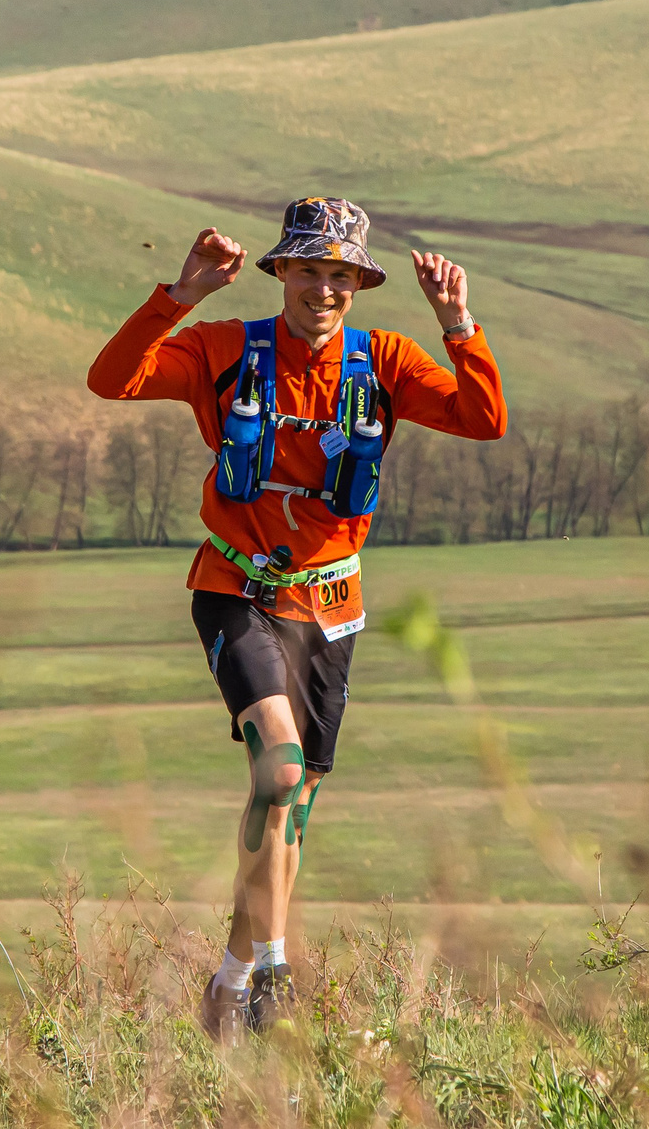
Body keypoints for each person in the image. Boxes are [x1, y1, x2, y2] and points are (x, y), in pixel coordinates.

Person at [87, 197, 507, 1041]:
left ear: (359, 282)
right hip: (236, 587)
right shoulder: (224, 350)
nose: (324, 288)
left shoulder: (381, 359)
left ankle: (230, 980)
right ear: (281, 271)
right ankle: (276, 971)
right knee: (277, 773)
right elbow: (113, 378)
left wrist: (458, 324)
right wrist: (180, 294)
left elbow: (483, 418)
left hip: (332, 606)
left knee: (292, 806)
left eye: (341, 274)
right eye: (309, 269)